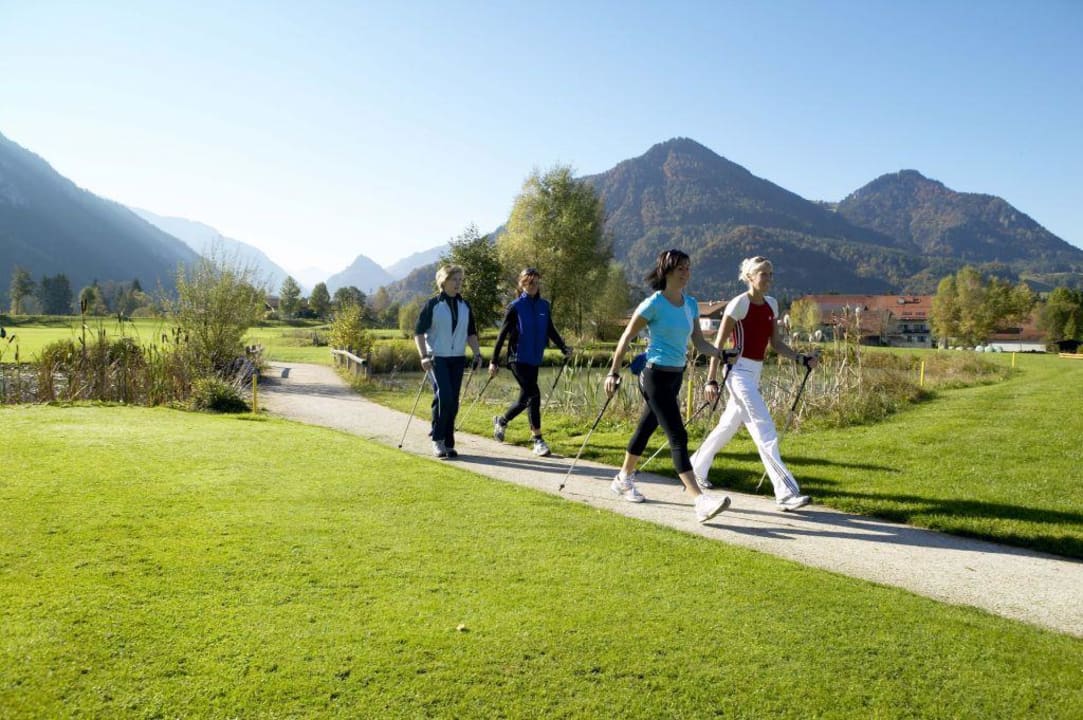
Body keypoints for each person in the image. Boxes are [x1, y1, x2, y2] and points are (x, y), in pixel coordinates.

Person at [604, 248, 733, 524]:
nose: (686, 273)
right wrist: (613, 373)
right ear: (667, 272)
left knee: (646, 427)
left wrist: (721, 354)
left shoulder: (691, 304)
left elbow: (699, 343)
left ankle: (623, 478)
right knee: (677, 435)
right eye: (680, 268)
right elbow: (626, 337)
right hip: (653, 375)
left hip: (676, 376)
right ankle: (699, 501)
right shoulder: (654, 304)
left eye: (688, 268)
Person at [690, 256, 817, 511]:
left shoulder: (771, 305)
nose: (769, 278)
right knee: (765, 430)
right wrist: (711, 379)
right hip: (737, 373)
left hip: (755, 372)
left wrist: (801, 358)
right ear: (750, 277)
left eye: (771, 274)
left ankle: (695, 468)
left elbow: (776, 344)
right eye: (763, 274)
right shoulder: (739, 304)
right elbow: (718, 345)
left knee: (727, 426)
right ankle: (786, 493)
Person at [489, 267, 572, 457]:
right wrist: (494, 361)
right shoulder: (515, 306)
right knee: (534, 395)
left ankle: (501, 421)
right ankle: (538, 440)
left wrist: (563, 347)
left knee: (524, 399)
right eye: (529, 282)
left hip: (534, 358)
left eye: (536, 282)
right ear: (522, 284)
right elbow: (502, 335)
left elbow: (550, 330)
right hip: (517, 358)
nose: (533, 285)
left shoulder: (544, 306)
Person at [414, 264, 483, 459]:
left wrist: (477, 354)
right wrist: (423, 356)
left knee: (452, 401)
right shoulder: (433, 305)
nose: (458, 283)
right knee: (445, 397)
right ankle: (438, 440)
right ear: (443, 282)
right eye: (454, 279)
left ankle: (449, 443)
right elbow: (418, 332)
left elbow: (471, 333)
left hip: (458, 358)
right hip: (437, 358)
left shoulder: (465, 306)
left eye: (460, 280)